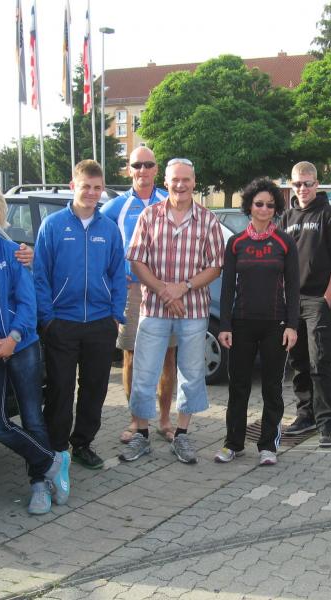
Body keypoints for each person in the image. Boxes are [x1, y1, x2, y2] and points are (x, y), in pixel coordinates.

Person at [0, 185, 70, 515]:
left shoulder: (13, 252)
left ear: (0, 215)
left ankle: (39, 485)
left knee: (32, 417)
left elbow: (28, 303)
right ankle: (52, 461)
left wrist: (12, 337)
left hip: (21, 344)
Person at [122, 158, 224, 464]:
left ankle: (181, 434)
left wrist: (184, 287)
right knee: (144, 373)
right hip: (154, 308)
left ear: (194, 182)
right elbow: (136, 260)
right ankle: (141, 434)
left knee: (191, 374)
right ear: (165, 182)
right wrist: (165, 291)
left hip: (193, 311)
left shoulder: (208, 220)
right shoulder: (149, 216)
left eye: (186, 179)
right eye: (175, 180)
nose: (180, 185)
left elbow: (216, 266)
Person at [33, 159, 126, 470]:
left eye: (97, 188)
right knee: (60, 389)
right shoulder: (53, 225)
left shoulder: (109, 229)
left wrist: (115, 314)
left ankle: (82, 443)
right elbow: (40, 275)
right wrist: (47, 319)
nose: (91, 193)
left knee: (95, 388)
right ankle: (56, 448)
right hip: (62, 322)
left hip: (100, 323)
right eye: (86, 186)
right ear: (73, 186)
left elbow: (118, 274)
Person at [216, 178, 299, 466]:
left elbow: (294, 287)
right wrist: (224, 325)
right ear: (249, 206)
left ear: (276, 209)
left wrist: (292, 325)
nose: (264, 209)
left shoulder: (285, 242)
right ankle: (233, 444)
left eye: (270, 205)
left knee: (272, 388)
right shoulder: (236, 243)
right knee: (238, 386)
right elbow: (227, 287)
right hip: (241, 324)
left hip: (275, 325)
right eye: (259, 204)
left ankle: (268, 446)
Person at [100, 146, 178, 444]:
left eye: (148, 164)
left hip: (166, 288)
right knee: (131, 355)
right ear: (129, 169)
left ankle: (165, 420)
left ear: (156, 169)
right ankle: (136, 421)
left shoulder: (170, 200)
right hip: (132, 289)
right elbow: (98, 240)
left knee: (168, 355)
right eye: (137, 165)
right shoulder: (115, 207)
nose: (142, 170)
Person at [280, 161, 331, 447]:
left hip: (317, 300)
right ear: (291, 185)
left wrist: (327, 298)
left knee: (319, 360)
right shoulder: (286, 218)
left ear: (316, 184)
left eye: (307, 183)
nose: (302, 189)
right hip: (291, 302)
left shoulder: (328, 216)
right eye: (297, 184)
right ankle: (305, 414)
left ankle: (327, 423)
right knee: (298, 362)